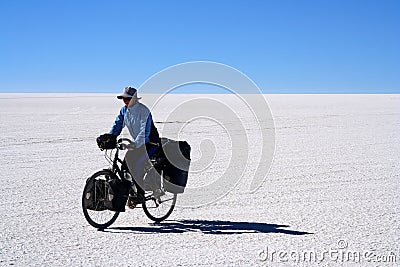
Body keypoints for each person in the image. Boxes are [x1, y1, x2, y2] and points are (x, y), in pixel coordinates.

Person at [108, 86, 160, 206]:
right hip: (137, 144)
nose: (125, 101)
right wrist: (110, 137)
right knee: (125, 166)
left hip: (150, 143)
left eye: (128, 99)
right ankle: (131, 192)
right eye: (123, 99)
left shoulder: (143, 110)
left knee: (137, 165)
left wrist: (135, 144)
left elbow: (144, 132)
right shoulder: (124, 110)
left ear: (135, 99)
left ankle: (140, 194)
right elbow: (117, 125)